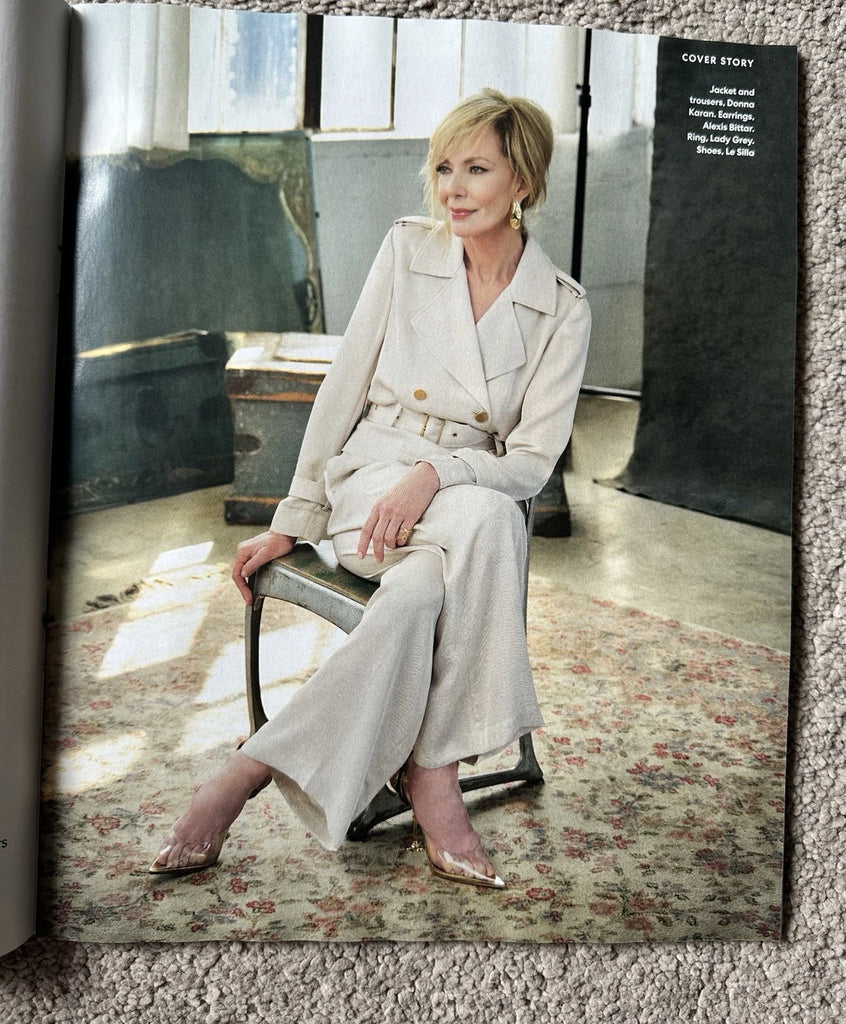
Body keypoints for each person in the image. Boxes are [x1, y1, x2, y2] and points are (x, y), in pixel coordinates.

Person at [149, 89, 591, 889]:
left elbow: (530, 463)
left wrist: (437, 474)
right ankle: (437, 780)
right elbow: (342, 387)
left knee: (428, 586)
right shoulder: (407, 249)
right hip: (371, 484)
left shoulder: (561, 308)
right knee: (494, 526)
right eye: (444, 168)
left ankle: (247, 771)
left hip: (459, 494)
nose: (452, 188)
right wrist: (294, 519)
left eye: (476, 169)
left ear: (522, 181)